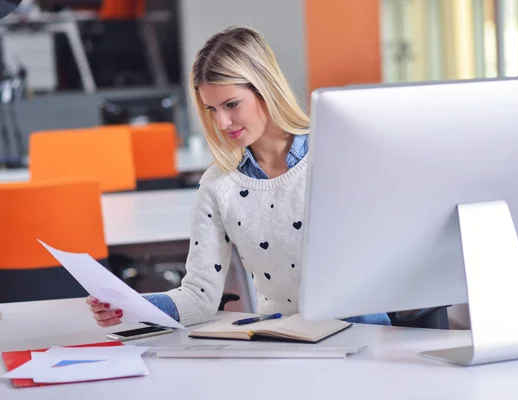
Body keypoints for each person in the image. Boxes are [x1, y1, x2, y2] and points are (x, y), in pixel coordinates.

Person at [86, 26, 392, 327]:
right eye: (212, 109)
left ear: (265, 89)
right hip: (286, 343)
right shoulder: (219, 186)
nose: (222, 121)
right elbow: (199, 296)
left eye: (231, 104)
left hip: (363, 334)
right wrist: (134, 305)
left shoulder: (336, 155)